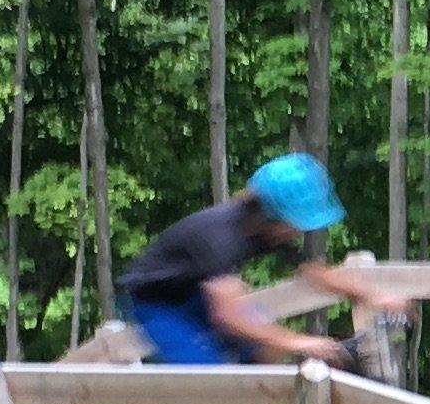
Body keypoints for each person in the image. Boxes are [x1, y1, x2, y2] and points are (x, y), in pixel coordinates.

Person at [115, 152, 404, 371]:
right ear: (273, 216)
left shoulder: (262, 230)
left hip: (196, 291)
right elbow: (227, 316)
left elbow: (316, 273)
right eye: (295, 223)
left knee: (266, 344)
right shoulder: (219, 237)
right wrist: (297, 341)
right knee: (207, 374)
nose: (299, 230)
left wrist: (376, 296)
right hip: (157, 303)